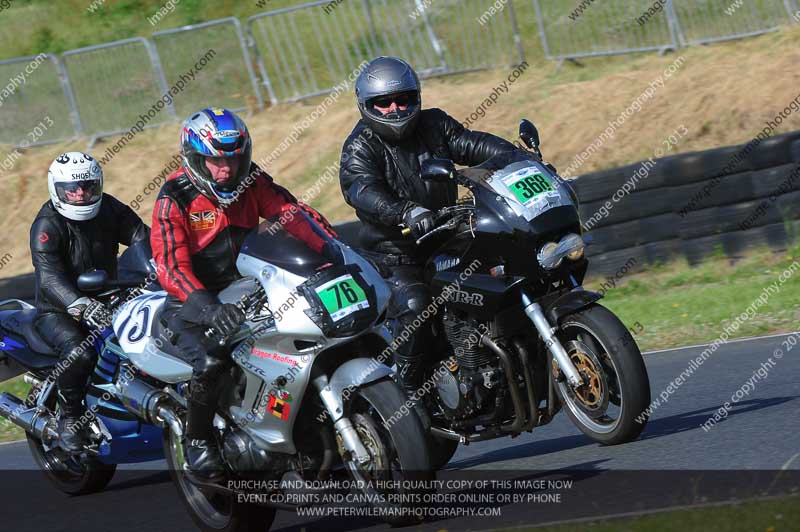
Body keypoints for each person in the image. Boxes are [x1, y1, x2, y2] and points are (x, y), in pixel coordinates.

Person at [151, 107, 336, 480]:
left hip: (250, 287)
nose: (226, 170)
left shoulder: (252, 181)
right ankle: (198, 440)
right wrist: (207, 307)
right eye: (215, 160)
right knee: (211, 363)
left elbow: (293, 214)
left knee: (308, 332)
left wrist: (334, 252)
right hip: (190, 301)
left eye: (234, 159)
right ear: (194, 159)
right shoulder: (175, 197)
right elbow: (170, 265)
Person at [338, 56, 519, 421]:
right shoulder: (360, 147)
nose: (395, 108)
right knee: (418, 307)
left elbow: (472, 145)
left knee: (502, 270)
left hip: (446, 236)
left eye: (403, 99)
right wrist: (406, 212)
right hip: (395, 253)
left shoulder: (434, 123)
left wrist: (517, 159)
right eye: (383, 103)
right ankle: (407, 402)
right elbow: (362, 190)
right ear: (367, 106)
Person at [30, 151, 149, 452]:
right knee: (80, 352)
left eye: (88, 187)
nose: (81, 195)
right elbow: (50, 279)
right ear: (57, 189)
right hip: (58, 310)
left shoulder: (109, 207)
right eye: (72, 189)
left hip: (111, 295)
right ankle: (69, 419)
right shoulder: (47, 225)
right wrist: (83, 305)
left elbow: (145, 240)